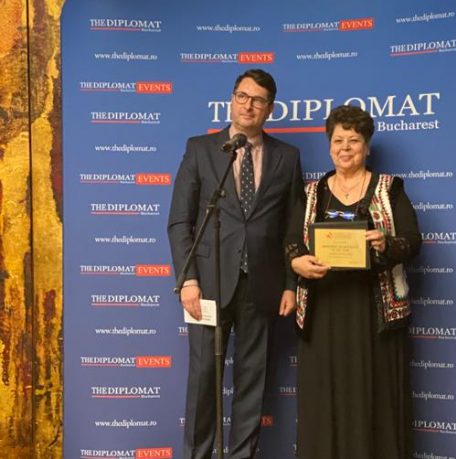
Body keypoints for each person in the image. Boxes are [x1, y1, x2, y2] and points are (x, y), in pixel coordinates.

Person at [167, 69, 303, 459]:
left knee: (252, 380)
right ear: (231, 99)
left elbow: (292, 228)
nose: (248, 105)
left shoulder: (287, 157)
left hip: (263, 285)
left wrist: (290, 284)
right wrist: (188, 280)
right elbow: (180, 221)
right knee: (203, 378)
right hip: (207, 284)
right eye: (242, 96)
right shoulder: (200, 149)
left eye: (258, 100)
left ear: (270, 109)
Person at [285, 105, 421, 458]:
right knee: (323, 399)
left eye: (354, 140)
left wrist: (386, 244)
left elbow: (412, 240)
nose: (345, 148)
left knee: (373, 397)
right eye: (338, 140)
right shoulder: (311, 192)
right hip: (323, 311)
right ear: (329, 144)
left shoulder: (389, 189)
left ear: (367, 146)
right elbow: (292, 241)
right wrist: (297, 261)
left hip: (373, 314)